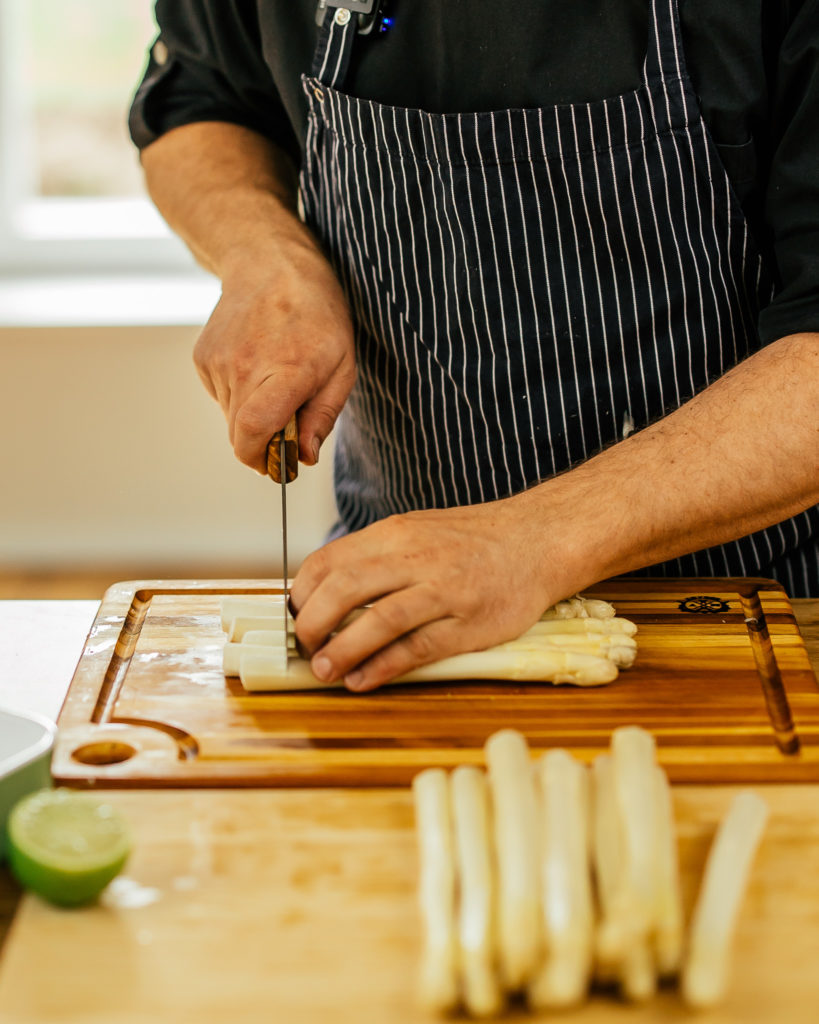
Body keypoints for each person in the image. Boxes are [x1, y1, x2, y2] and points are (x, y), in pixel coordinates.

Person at [131, 0, 819, 692]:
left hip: (761, 616)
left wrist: (532, 539)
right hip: (389, 619)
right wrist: (267, 256)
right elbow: (201, 97)